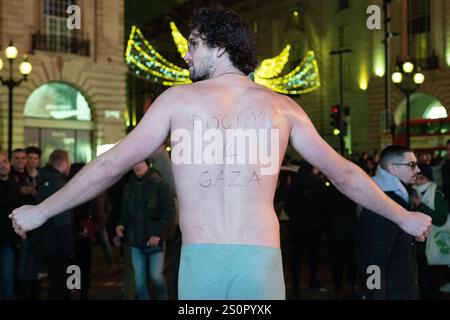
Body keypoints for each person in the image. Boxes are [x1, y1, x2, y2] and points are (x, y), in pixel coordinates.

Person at [10, 6, 431, 300]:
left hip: (202, 259)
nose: (186, 53)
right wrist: (403, 216)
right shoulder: (283, 107)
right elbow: (344, 174)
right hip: (261, 261)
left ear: (220, 46)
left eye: (193, 44)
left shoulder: (177, 102)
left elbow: (109, 165)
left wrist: (42, 209)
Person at [356, 145, 422, 300]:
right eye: (412, 165)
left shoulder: (399, 197)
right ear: (393, 168)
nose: (418, 170)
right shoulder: (382, 204)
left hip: (402, 289)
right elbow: (373, 262)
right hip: (393, 293)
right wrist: (375, 296)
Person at [115, 160, 176, 300]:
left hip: (154, 239)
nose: (137, 165)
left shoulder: (160, 184)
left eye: (140, 162)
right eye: (134, 162)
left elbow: (169, 211)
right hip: (135, 240)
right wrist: (120, 225)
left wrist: (158, 233)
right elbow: (124, 212)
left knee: (156, 276)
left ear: (147, 164)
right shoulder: (129, 187)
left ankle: (163, 297)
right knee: (139, 280)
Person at [412, 163, 448, 300]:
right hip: (417, 247)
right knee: (420, 281)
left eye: (422, 178)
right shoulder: (412, 193)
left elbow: (440, 219)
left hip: (431, 247)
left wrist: (421, 206)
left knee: (429, 283)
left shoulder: (436, 195)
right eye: (416, 178)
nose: (418, 181)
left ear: (430, 179)